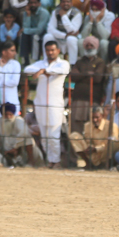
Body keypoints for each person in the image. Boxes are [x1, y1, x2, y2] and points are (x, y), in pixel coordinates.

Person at [23, 40, 71, 168]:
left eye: (52, 50)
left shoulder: (63, 63)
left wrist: (44, 71)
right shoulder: (41, 63)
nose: (50, 53)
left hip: (55, 104)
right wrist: (42, 70)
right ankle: (50, 161)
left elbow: (61, 71)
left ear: (58, 51)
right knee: (44, 135)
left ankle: (56, 161)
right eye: (48, 50)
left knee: (54, 134)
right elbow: (27, 69)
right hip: (40, 104)